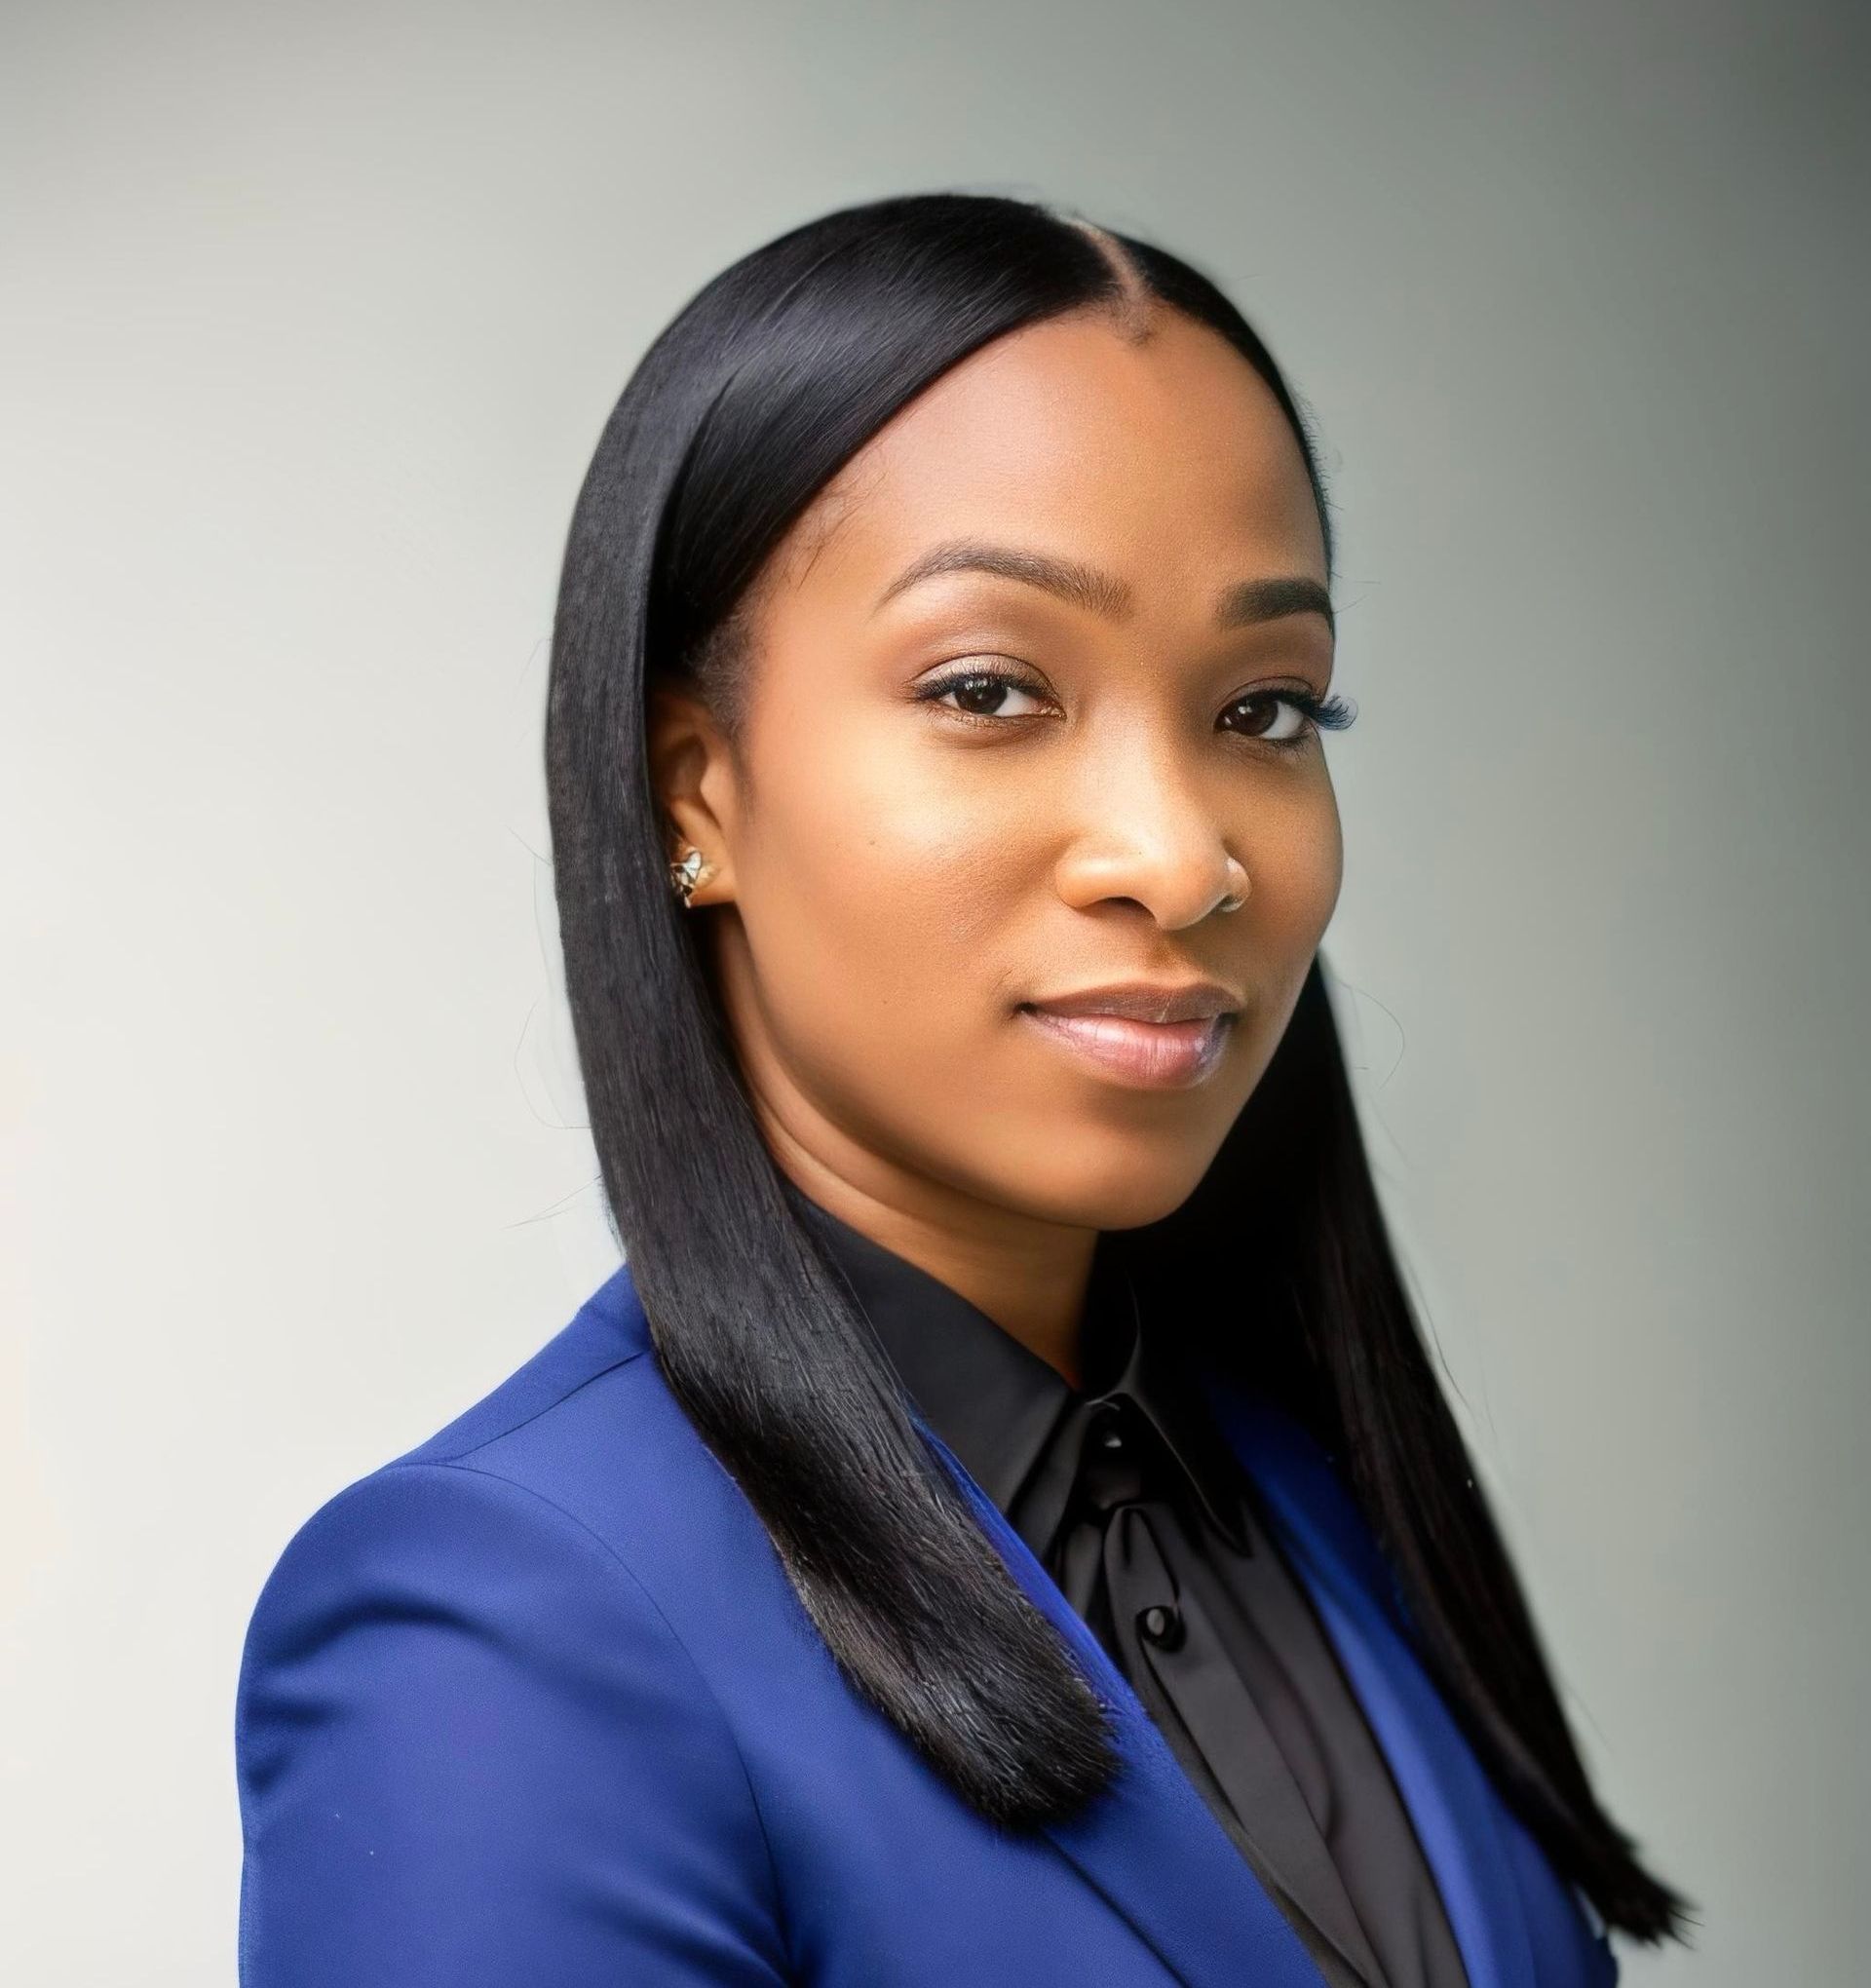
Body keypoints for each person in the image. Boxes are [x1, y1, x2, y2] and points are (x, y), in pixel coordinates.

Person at [234, 190, 1692, 1986]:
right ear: (695, 791)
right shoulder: (502, 1635)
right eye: (993, 689)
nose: (1180, 859)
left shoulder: (1322, 1496)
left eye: (1265, 713)